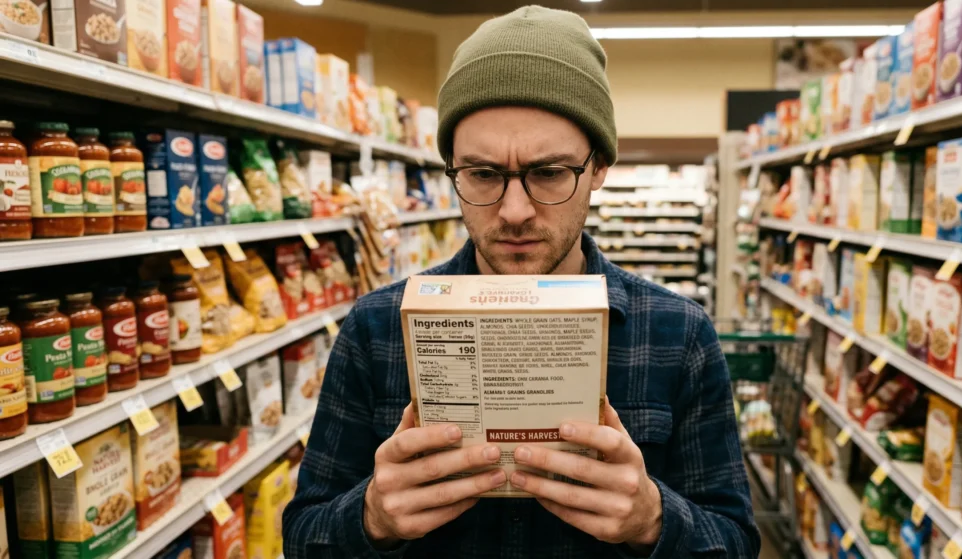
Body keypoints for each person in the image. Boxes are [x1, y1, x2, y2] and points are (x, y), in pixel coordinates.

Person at [283, 5, 759, 558]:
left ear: (599, 166)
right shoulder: (376, 327)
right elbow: (303, 536)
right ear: (452, 170)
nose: (513, 211)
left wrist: (653, 520)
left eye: (549, 172)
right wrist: (369, 519)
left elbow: (736, 541)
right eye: (483, 174)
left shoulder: (679, 334)